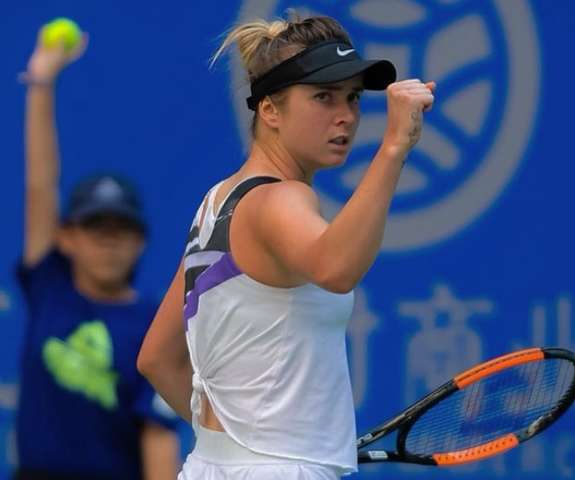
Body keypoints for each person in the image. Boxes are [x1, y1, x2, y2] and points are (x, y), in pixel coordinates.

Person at [137, 13, 434, 479]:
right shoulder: (280, 199)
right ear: (270, 111)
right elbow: (335, 268)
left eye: (353, 97)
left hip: (207, 466)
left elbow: (156, 358)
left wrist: (241, 444)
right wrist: (394, 147)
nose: (346, 115)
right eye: (323, 97)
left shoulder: (217, 203)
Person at [16, 26, 179, 479]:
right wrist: (41, 82)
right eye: (95, 227)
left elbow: (159, 437)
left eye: (121, 229)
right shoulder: (50, 286)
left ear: (141, 242)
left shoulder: (154, 327)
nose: (109, 239)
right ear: (66, 237)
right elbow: (40, 184)